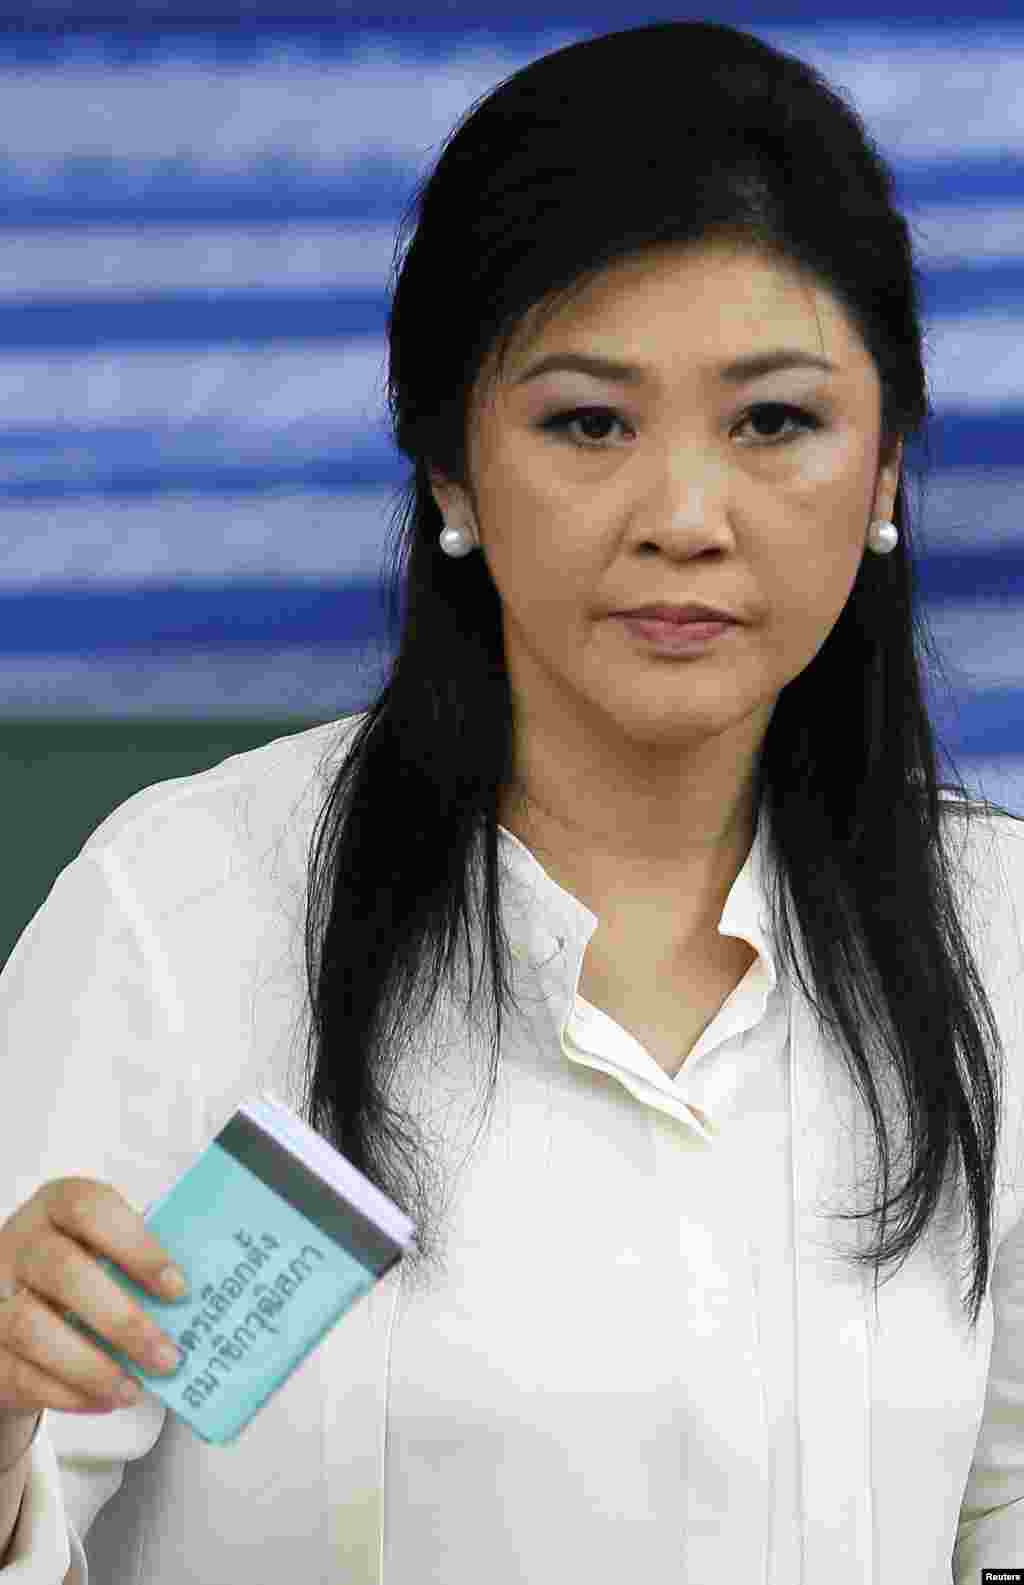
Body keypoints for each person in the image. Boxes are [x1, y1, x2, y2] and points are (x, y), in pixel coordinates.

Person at [1, 17, 1022, 1584]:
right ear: (451, 476)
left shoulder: (1000, 937)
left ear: (886, 472)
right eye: (587, 423)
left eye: (775, 423)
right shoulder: (184, 916)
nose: (686, 517)